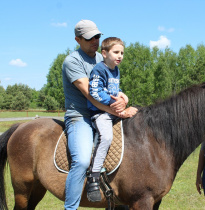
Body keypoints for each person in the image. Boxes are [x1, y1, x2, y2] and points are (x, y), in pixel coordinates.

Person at [62, 20, 137, 210]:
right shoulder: (72, 61)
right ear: (77, 39)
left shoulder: (102, 58)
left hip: (105, 111)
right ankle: (70, 207)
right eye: (89, 38)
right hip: (80, 116)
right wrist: (120, 110)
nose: (95, 41)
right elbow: (91, 94)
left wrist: (122, 97)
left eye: (97, 36)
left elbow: (110, 88)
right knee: (82, 160)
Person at [86, 37, 128, 202]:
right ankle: (94, 176)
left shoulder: (115, 70)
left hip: (112, 110)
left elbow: (112, 89)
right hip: (100, 112)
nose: (120, 56)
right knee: (107, 137)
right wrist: (114, 101)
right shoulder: (99, 69)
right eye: (116, 52)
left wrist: (121, 94)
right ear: (104, 53)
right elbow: (95, 92)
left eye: (122, 53)